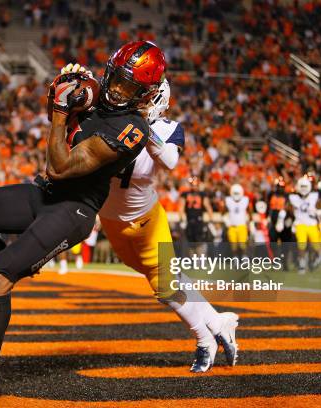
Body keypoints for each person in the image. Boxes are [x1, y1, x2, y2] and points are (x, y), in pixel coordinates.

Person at [0, 41, 161, 403]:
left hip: (73, 209)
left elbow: (58, 167)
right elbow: (53, 116)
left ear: (144, 94)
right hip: (43, 195)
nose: (117, 90)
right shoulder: (94, 93)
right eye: (116, 80)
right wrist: (60, 89)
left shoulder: (132, 128)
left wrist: (63, 108)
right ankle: (13, 256)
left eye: (128, 87)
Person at [98, 78, 238, 373]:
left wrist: (144, 130)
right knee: (165, 277)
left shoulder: (166, 128)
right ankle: (218, 321)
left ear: (158, 100)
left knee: (164, 286)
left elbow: (171, 161)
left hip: (146, 219)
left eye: (143, 96)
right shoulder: (113, 118)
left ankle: (204, 341)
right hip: (111, 220)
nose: (136, 100)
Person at [223, 184, 250, 253]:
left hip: (242, 226)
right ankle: (235, 259)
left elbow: (250, 212)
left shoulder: (245, 200)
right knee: (233, 246)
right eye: (235, 193)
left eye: (237, 193)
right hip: (232, 226)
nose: (236, 195)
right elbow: (223, 212)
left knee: (242, 244)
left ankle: (244, 258)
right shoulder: (228, 200)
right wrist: (226, 221)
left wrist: (250, 223)